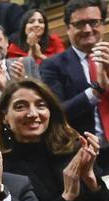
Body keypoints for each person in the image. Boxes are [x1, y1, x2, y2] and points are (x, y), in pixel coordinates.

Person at [39, 0, 109, 160]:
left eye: (93, 22)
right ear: (68, 28)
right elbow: (56, 112)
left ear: (103, 24)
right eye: (80, 24)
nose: (88, 29)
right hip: (83, 152)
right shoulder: (52, 65)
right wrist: (95, 91)